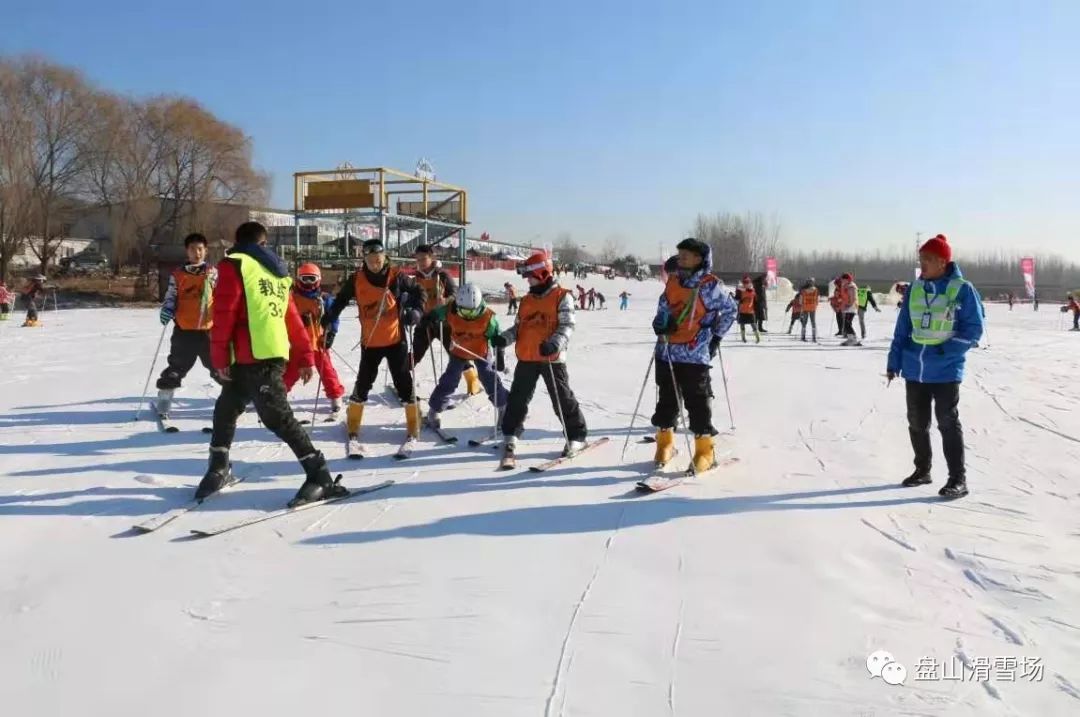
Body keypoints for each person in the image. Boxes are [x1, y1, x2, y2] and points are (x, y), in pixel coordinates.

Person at [198, 221, 342, 507]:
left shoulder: (235, 265)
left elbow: (224, 314)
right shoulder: (276, 271)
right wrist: (303, 356)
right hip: (256, 355)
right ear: (263, 244)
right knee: (226, 409)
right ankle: (218, 466)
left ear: (238, 243)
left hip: (256, 357)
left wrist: (219, 360)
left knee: (278, 417)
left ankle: (319, 476)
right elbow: (292, 318)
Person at [886, 233, 984, 500]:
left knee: (947, 421)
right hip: (914, 368)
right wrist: (894, 361)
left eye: (928, 259)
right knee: (917, 422)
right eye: (921, 259)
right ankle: (922, 470)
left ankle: (957, 479)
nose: (923, 264)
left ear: (943, 262)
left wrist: (944, 351)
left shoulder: (962, 289)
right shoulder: (916, 289)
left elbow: (974, 329)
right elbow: (902, 329)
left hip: (945, 369)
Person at [323, 238, 424, 444]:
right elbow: (341, 300)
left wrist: (416, 311)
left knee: (403, 381)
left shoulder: (397, 276)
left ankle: (413, 421)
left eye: (378, 260)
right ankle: (353, 422)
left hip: (396, 339)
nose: (375, 264)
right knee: (363, 382)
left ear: (384, 257)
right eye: (371, 261)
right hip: (370, 342)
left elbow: (418, 291)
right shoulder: (356, 279)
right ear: (364, 260)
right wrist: (330, 316)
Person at [491, 250, 588, 462]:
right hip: (527, 356)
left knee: (561, 398)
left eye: (531, 277)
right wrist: (504, 339)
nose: (528, 281)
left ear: (544, 274)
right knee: (518, 398)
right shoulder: (527, 300)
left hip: (551, 358)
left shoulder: (563, 296)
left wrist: (554, 343)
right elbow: (519, 328)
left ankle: (576, 436)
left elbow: (567, 325)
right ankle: (511, 432)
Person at [651, 239, 738, 473]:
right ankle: (665, 443)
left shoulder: (711, 286)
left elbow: (731, 310)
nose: (680, 259)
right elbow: (664, 305)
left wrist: (716, 337)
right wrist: (661, 322)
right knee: (666, 399)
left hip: (694, 353)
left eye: (685, 255)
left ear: (699, 259)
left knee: (697, 402)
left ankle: (704, 450)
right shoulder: (673, 280)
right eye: (679, 255)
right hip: (667, 350)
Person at [424, 283, 508, 428]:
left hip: (480, 351)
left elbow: (496, 338)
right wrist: (430, 317)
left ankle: (504, 407)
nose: (467, 315)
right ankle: (435, 410)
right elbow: (438, 312)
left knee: (488, 377)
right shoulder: (451, 309)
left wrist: (499, 355)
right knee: (450, 379)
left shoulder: (488, 317)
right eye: (464, 311)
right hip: (459, 350)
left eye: (471, 312)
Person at [155, 233, 218, 417]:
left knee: (219, 366)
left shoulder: (213, 273)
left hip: (209, 331)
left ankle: (236, 398)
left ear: (205, 251)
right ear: (187, 251)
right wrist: (167, 309)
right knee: (177, 366)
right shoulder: (179, 274)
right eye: (192, 249)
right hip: (185, 330)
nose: (196, 253)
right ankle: (165, 397)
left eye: (200, 249)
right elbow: (171, 296)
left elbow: (221, 297)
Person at [284, 262, 345, 416]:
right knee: (290, 372)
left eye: (312, 279)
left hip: (318, 343)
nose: (308, 283)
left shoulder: (323, 299)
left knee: (327, 371)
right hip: (299, 344)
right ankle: (279, 395)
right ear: (298, 279)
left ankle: (335, 395)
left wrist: (331, 334)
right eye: (305, 279)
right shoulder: (291, 298)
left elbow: (333, 317)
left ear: (318, 279)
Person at [735, 276, 759, 343]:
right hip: (742, 310)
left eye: (747, 282)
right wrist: (738, 298)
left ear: (749, 283)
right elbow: (737, 298)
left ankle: (758, 337)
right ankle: (743, 338)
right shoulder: (740, 290)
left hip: (750, 311)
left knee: (753, 324)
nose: (746, 284)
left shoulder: (752, 290)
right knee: (742, 324)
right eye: (745, 282)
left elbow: (756, 300)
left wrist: (757, 307)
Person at [839, 273, 859, 345]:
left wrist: (849, 305)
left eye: (843, 279)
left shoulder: (851, 286)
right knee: (847, 323)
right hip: (847, 306)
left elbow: (853, 298)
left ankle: (853, 339)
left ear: (847, 279)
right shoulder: (846, 286)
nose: (842, 281)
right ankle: (850, 338)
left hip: (851, 307)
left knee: (847, 323)